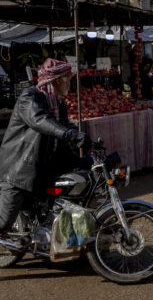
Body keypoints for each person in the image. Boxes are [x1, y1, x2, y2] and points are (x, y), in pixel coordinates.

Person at [0, 59, 92, 232]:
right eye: (67, 79)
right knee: (3, 223)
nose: (70, 83)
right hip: (19, 170)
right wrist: (69, 133)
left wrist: (82, 157)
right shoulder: (30, 97)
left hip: (42, 169)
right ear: (56, 80)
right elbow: (40, 120)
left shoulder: (58, 104)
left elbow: (62, 137)